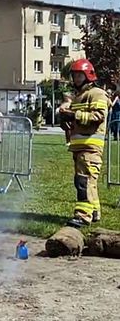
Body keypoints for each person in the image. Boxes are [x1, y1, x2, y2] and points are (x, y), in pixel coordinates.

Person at [59, 59, 108, 228]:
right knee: (88, 181)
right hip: (80, 146)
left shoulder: (96, 94)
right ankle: (94, 212)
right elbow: (78, 119)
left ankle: (83, 216)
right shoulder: (79, 96)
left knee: (83, 181)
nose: (76, 79)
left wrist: (74, 115)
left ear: (88, 75)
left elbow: (98, 117)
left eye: (80, 75)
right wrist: (66, 121)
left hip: (91, 147)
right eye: (75, 75)